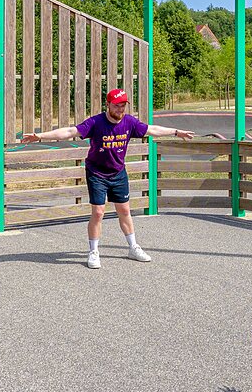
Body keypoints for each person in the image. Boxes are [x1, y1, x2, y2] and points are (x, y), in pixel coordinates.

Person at [21, 88, 195, 268]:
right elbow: (69, 132)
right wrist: (40, 136)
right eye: (117, 106)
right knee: (98, 212)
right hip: (96, 173)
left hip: (118, 173)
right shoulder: (96, 122)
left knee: (125, 211)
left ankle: (133, 247)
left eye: (123, 106)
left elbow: (153, 129)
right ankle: (94, 251)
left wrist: (175, 132)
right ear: (108, 104)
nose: (120, 109)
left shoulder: (129, 122)